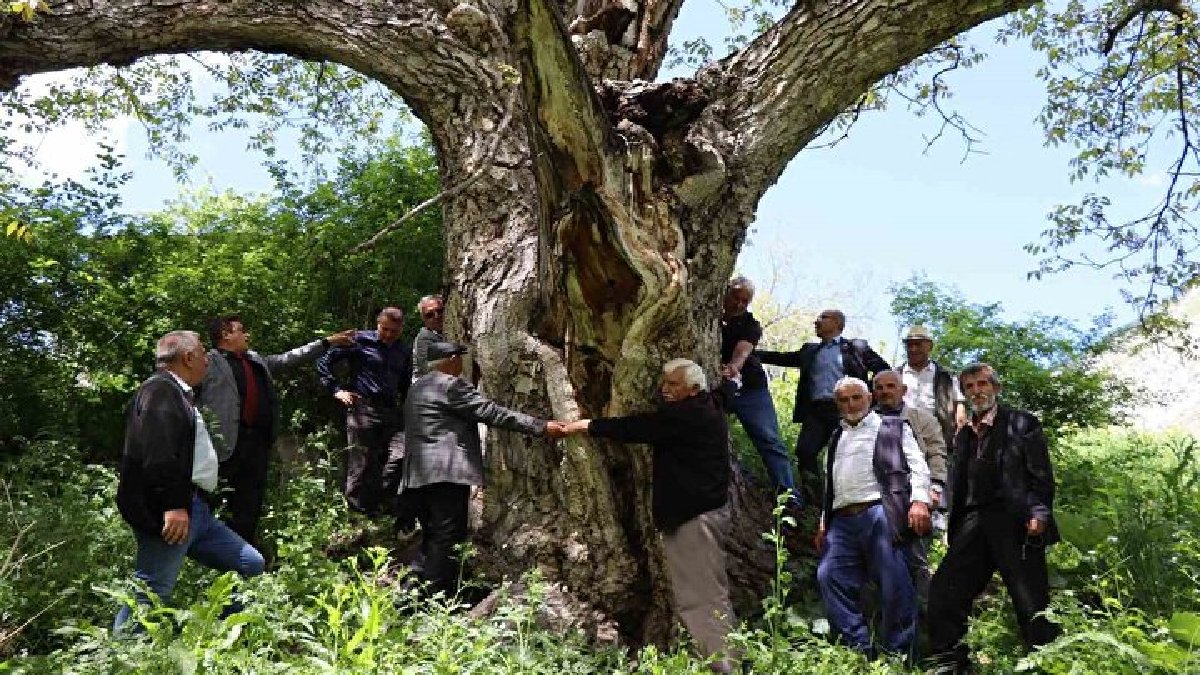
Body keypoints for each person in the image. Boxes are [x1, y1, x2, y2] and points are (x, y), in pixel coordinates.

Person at [563, 359, 739, 674]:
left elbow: (636, 427)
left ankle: (726, 668)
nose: (664, 390)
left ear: (692, 389)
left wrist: (589, 425)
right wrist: (732, 381)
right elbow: (724, 394)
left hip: (694, 519)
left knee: (700, 599)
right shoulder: (709, 403)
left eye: (673, 384)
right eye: (665, 382)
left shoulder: (684, 417)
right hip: (703, 513)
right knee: (707, 594)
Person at [114, 330, 265, 630]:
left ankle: (219, 631)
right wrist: (173, 505)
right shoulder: (160, 390)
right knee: (152, 589)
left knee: (250, 563)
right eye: (203, 353)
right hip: (169, 511)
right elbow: (160, 453)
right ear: (188, 357)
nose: (208, 360)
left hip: (195, 509)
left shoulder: (176, 391)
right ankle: (124, 655)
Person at [926, 363, 1061, 673]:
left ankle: (1045, 661)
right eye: (970, 386)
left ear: (996, 388)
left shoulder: (1021, 423)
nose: (977, 391)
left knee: (1030, 598)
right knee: (946, 589)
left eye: (982, 384)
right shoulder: (963, 435)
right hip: (973, 522)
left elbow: (1041, 474)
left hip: (1015, 520)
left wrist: (1039, 512)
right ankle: (951, 662)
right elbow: (959, 481)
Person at [403, 341, 563, 597]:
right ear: (453, 359)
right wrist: (541, 426)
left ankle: (412, 590)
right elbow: (491, 412)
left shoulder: (418, 387)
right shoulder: (450, 385)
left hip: (418, 474)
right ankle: (431, 599)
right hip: (446, 474)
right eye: (460, 359)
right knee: (446, 538)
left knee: (433, 535)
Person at [198, 315, 353, 543]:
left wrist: (326, 342)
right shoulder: (208, 362)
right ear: (226, 334)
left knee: (250, 501)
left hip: (256, 444)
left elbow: (289, 358)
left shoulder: (255, 360)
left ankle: (243, 552)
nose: (247, 334)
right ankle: (210, 554)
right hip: (224, 445)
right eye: (241, 330)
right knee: (218, 501)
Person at [814, 377, 930, 657]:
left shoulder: (892, 427)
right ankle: (859, 650)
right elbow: (831, 483)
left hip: (881, 512)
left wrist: (920, 501)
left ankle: (899, 654)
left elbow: (917, 465)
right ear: (837, 404)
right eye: (844, 400)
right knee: (829, 576)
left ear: (869, 399)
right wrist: (822, 523)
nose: (851, 404)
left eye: (856, 397)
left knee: (895, 583)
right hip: (841, 521)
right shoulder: (835, 436)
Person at [756, 309, 889, 487]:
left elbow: (883, 370)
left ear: (838, 324)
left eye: (823, 318)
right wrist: (751, 353)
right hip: (816, 411)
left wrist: (864, 397)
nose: (816, 321)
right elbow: (783, 358)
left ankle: (846, 494)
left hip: (846, 410)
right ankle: (815, 499)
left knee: (847, 454)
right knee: (805, 451)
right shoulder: (810, 350)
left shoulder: (857, 348)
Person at [317, 307, 412, 517]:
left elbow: (405, 384)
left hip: (391, 410)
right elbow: (324, 361)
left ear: (401, 329)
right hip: (363, 407)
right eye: (384, 329)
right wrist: (337, 390)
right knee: (362, 462)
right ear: (378, 324)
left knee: (401, 455)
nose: (388, 335)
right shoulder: (360, 340)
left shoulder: (404, 351)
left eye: (393, 331)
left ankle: (381, 505)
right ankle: (357, 515)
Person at [871, 369, 947, 608]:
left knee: (915, 560)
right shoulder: (866, 421)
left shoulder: (921, 419)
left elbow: (936, 454)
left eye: (890, 386)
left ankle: (925, 615)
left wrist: (934, 488)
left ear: (903, 390)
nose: (885, 392)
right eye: (880, 388)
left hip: (916, 498)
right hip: (877, 502)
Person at [719, 276, 796, 497]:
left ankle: (789, 496)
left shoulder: (750, 325)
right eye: (736, 297)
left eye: (745, 301)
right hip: (717, 389)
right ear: (725, 292)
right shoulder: (707, 314)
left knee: (769, 440)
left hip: (751, 389)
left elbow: (743, 349)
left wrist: (734, 366)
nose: (739, 304)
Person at [896, 325, 967, 449]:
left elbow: (960, 410)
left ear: (930, 346)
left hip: (938, 440)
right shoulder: (896, 375)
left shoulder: (946, 376)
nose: (913, 349)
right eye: (909, 345)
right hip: (902, 440)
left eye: (918, 344)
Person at [411, 294, 446, 380]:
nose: (436, 316)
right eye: (429, 315)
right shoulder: (424, 338)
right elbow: (428, 370)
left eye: (440, 311)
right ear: (424, 320)